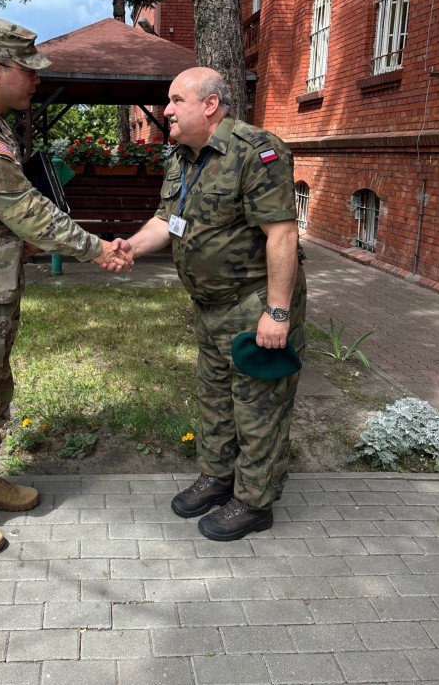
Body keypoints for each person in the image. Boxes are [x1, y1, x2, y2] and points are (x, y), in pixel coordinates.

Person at [0, 16, 131, 556]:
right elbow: (25, 209)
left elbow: (0, 214)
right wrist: (96, 247)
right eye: (27, 71)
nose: (36, 81)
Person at [110, 67, 307, 542]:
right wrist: (133, 246)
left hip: (253, 303)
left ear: (210, 105)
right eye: (168, 101)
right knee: (215, 399)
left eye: (177, 101)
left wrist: (277, 313)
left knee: (258, 406)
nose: (167, 111)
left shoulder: (256, 152)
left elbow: (281, 234)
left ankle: (256, 502)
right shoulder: (182, 157)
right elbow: (166, 219)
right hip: (210, 305)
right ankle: (219, 478)